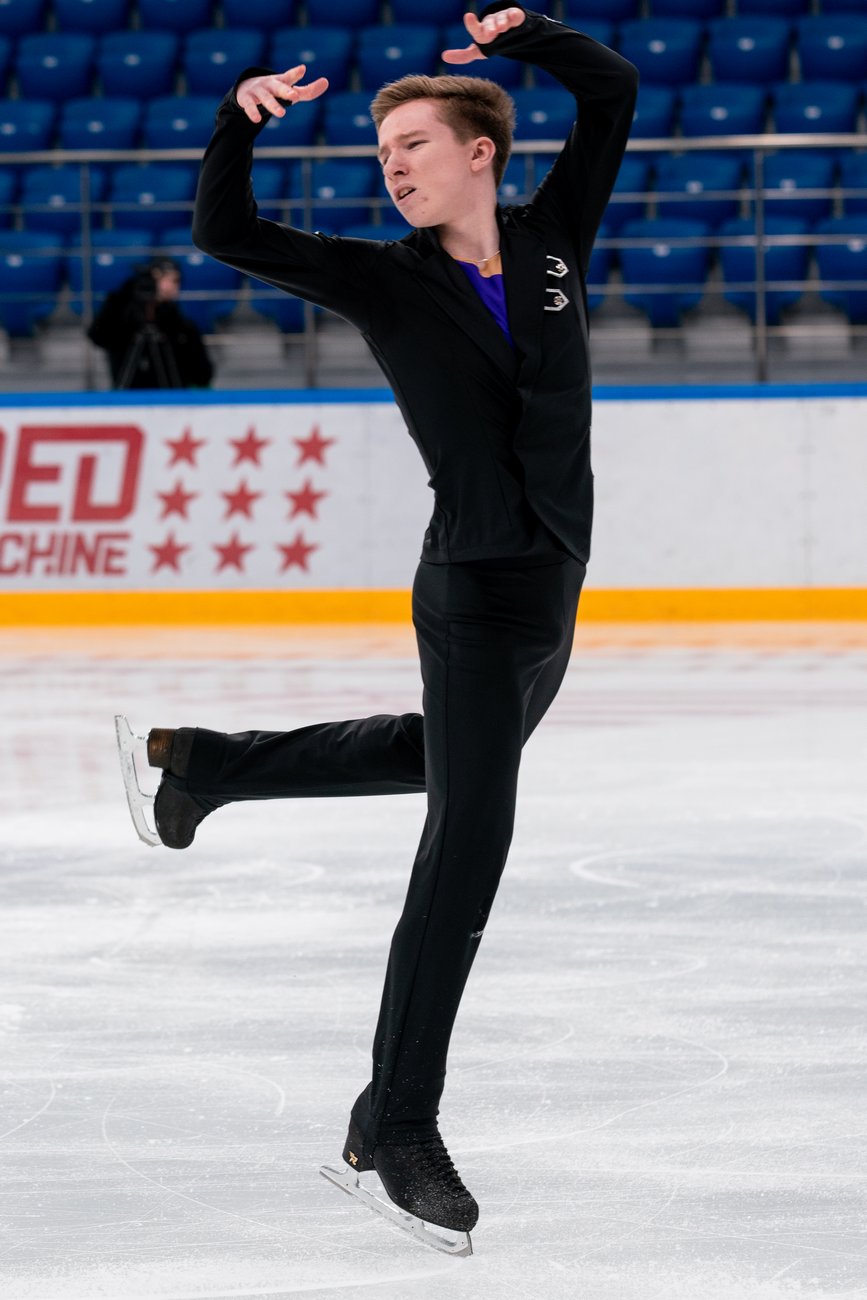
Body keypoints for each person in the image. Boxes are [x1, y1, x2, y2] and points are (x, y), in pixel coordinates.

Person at [135, 3, 638, 1248]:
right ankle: (394, 1124)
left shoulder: (553, 239)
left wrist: (526, 36)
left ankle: (210, 764)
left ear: (480, 151)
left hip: (554, 585)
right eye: (382, 152)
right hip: (469, 590)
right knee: (469, 836)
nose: (395, 165)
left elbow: (611, 90)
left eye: (414, 144)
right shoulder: (382, 277)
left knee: (439, 757)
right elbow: (225, 231)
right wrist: (236, 122)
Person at [87, 257, 213, 389]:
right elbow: (98, 336)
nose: (175, 287)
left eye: (177, 281)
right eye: (172, 280)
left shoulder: (179, 325)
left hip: (169, 393)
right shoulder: (121, 314)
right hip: (129, 393)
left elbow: (202, 373)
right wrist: (125, 296)